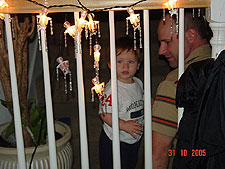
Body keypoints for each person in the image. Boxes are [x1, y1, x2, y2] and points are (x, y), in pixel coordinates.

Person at [152, 9, 213, 169]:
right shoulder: (218, 67)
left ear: (191, 36)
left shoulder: (174, 82)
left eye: (167, 42)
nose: (161, 51)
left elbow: (158, 155)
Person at [98, 36, 144, 169]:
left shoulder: (138, 83)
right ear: (110, 64)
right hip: (114, 140)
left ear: (138, 65)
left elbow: (139, 97)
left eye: (131, 61)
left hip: (133, 137)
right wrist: (123, 125)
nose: (125, 66)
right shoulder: (111, 89)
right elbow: (105, 114)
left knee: (130, 163)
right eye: (119, 61)